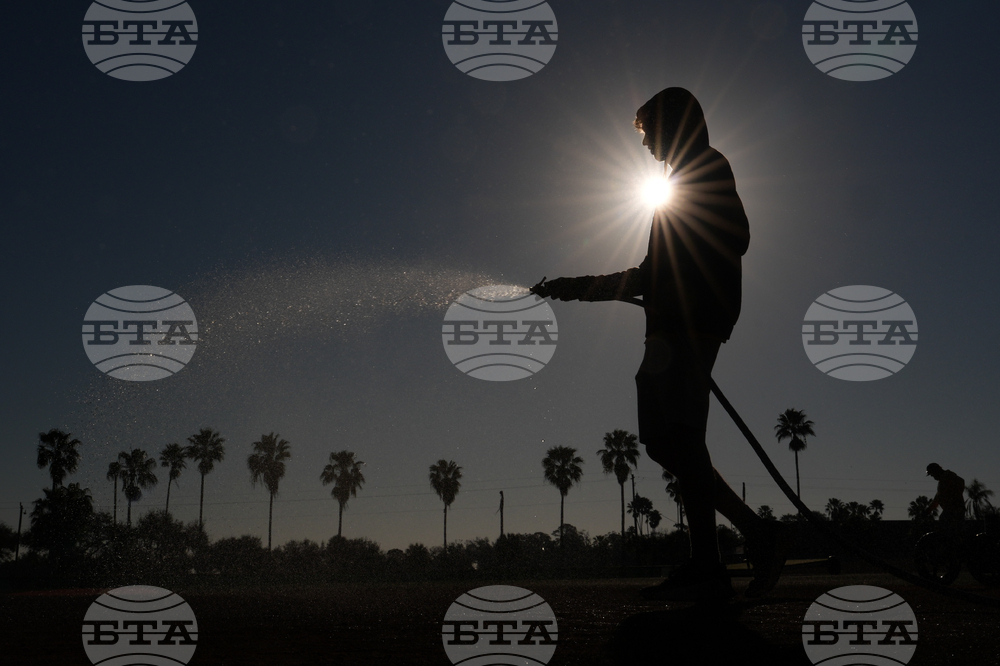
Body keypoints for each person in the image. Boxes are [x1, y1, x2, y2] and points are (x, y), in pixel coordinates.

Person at [532, 87, 788, 601]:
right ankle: (745, 540)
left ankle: (715, 559)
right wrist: (577, 288)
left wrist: (680, 277)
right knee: (665, 440)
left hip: (691, 325)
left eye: (650, 133)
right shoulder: (675, 183)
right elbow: (652, 272)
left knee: (682, 436)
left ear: (674, 126)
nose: (646, 146)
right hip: (669, 327)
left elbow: (735, 235)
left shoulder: (707, 168)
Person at [926, 463, 965, 535]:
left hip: (953, 510)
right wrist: (929, 509)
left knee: (944, 529)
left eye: (932, 474)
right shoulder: (946, 478)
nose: (933, 477)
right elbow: (938, 498)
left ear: (935, 471)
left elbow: (938, 498)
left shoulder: (946, 478)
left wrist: (928, 510)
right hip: (956, 509)